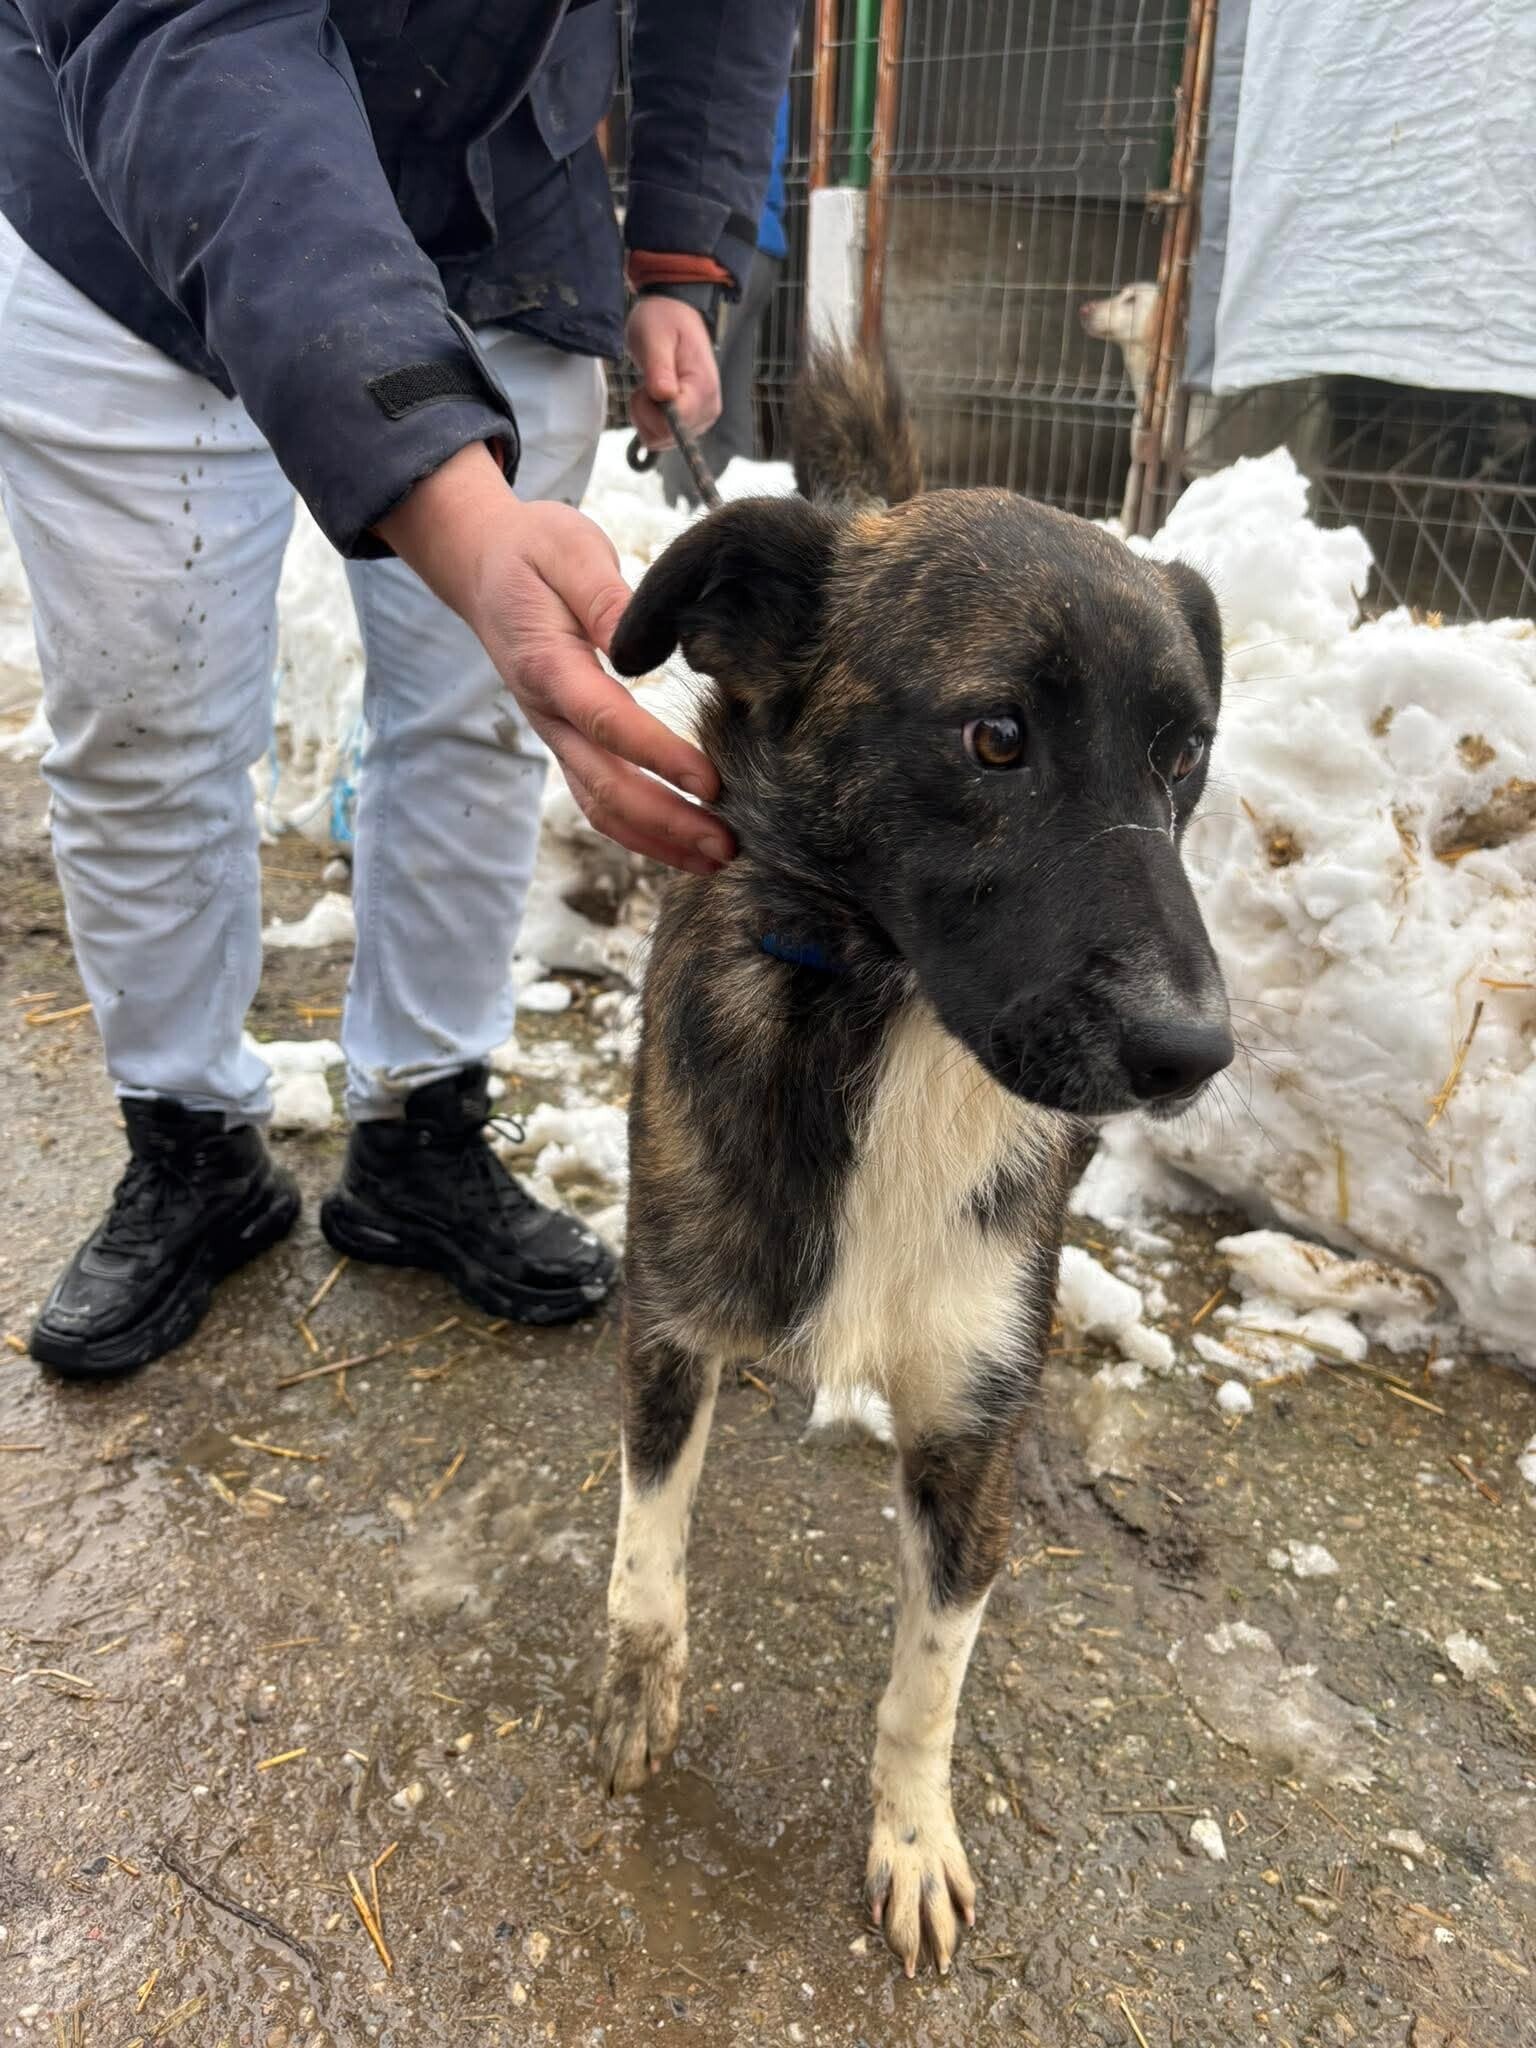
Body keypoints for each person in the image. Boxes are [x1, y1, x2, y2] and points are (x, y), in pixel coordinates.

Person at [0, 0, 796, 1376]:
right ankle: (187, 1141)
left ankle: (424, 1128)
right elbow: (189, 38)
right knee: (142, 716)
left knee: (480, 717)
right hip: (126, 187)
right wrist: (464, 523)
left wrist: (681, 250)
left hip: (501, 199)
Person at [659, 89, 791, 506]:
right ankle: (741, 507)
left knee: (691, 387)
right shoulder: (765, 74)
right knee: (732, 388)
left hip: (723, 246)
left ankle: (676, 507)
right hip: (764, 247)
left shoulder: (723, 72)